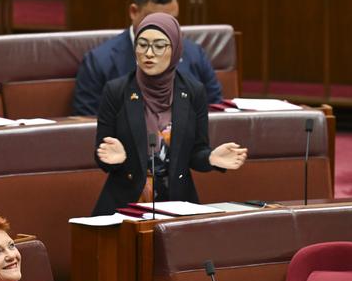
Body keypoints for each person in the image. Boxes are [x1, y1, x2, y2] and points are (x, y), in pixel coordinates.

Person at [92, 12, 247, 216]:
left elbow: (195, 154)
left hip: (177, 203)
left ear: (175, 49)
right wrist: (117, 159)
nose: (149, 53)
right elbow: (102, 155)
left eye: (159, 46)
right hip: (125, 204)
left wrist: (211, 158)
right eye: (143, 44)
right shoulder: (117, 91)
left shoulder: (193, 92)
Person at [72, 0, 222, 116]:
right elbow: (87, 120)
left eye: (171, 20)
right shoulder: (99, 61)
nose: (162, 28)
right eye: (153, 20)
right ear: (134, 12)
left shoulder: (194, 54)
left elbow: (215, 107)